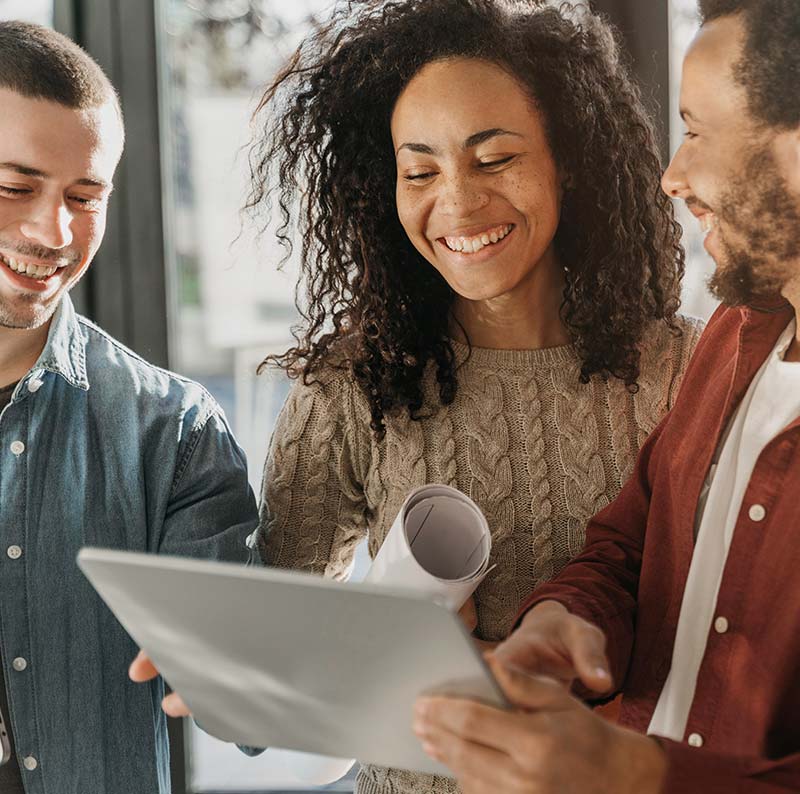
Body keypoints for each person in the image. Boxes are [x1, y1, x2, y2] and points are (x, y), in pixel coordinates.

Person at [132, 0, 702, 790]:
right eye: (421, 171)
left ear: (568, 158)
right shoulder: (356, 382)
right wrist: (239, 669)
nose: (459, 203)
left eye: (495, 159)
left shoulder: (687, 370)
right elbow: (288, 652)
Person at [412, 1, 800, 792]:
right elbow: (630, 547)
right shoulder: (732, 336)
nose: (673, 175)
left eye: (696, 131)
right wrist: (565, 623)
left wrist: (631, 775)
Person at [0, 21, 258, 794]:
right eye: (14, 187)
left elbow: (242, 708)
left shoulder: (172, 432)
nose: (55, 231)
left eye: (86, 196)